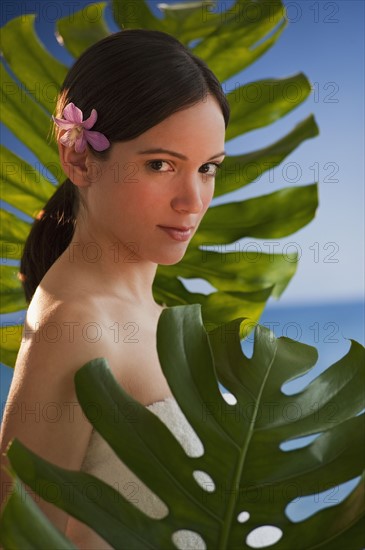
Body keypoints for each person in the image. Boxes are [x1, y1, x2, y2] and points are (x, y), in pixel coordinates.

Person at [0, 29, 229, 548]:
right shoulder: (77, 324)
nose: (192, 201)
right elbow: (20, 539)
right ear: (78, 158)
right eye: (160, 165)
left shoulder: (154, 312)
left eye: (208, 168)